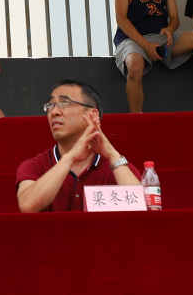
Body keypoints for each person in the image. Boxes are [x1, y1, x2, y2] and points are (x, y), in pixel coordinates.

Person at [16, 79, 141, 212]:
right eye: (50, 105)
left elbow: (141, 207)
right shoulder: (35, 166)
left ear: (92, 114)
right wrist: (70, 157)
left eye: (64, 103)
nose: (54, 112)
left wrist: (113, 155)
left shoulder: (116, 166)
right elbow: (28, 206)